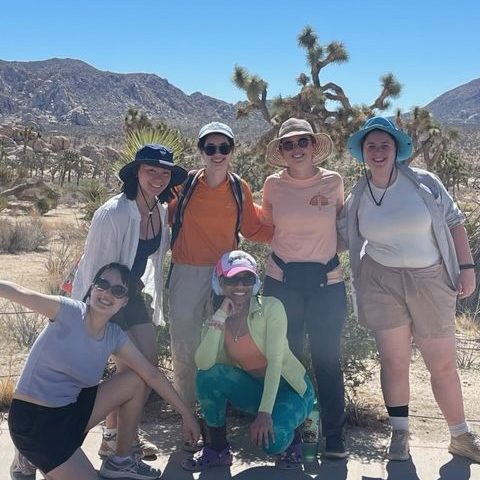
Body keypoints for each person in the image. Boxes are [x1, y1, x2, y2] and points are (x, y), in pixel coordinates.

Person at [337, 116, 480, 462]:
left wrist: (466, 268)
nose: (378, 151)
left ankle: (459, 435)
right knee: (394, 359)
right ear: (363, 153)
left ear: (397, 149)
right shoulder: (359, 192)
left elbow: (454, 221)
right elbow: (340, 236)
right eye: (371, 146)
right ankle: (399, 433)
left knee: (442, 362)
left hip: (429, 278)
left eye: (384, 144)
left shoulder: (424, 183)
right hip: (380, 279)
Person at [5, 262, 200, 480]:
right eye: (102, 284)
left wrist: (186, 415)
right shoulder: (68, 311)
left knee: (138, 378)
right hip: (34, 422)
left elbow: (151, 374)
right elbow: (19, 292)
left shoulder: (114, 335)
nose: (107, 293)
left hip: (70, 415)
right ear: (92, 287)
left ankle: (120, 461)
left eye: (118, 290)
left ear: (124, 302)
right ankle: (29, 456)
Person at [71, 144, 187, 459]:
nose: (158, 178)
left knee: (144, 366)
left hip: (132, 296)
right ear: (136, 172)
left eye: (165, 172)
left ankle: (115, 437)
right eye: (151, 170)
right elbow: (96, 268)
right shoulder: (114, 213)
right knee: (132, 373)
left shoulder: (160, 211)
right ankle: (115, 441)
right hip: (105, 298)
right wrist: (98, 311)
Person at [168, 122, 273, 425]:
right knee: (184, 345)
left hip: (226, 277)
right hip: (186, 273)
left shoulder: (239, 188)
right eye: (210, 148)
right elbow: (162, 218)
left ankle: (216, 416)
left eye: (223, 147)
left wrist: (297, 233)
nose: (217, 154)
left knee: (225, 345)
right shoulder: (184, 186)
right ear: (200, 151)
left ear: (231, 150)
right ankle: (187, 414)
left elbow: (252, 228)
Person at [260, 117, 348, 458]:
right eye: (288, 144)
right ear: (281, 151)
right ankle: (292, 436)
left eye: (302, 142)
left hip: (327, 283)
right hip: (282, 283)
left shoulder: (333, 182)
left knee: (327, 360)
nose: (296, 149)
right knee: (285, 359)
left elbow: (341, 225)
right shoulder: (272, 185)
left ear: (313, 145)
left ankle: (335, 438)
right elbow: (267, 227)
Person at [181, 250, 315, 472]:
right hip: (257, 389)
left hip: (290, 390)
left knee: (272, 443)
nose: (240, 286)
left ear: (255, 282)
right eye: (232, 279)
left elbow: (275, 362)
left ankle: (295, 440)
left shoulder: (271, 308)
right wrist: (220, 317)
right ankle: (217, 449)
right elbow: (203, 364)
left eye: (247, 279)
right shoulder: (217, 320)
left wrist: (265, 414)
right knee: (207, 377)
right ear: (219, 282)